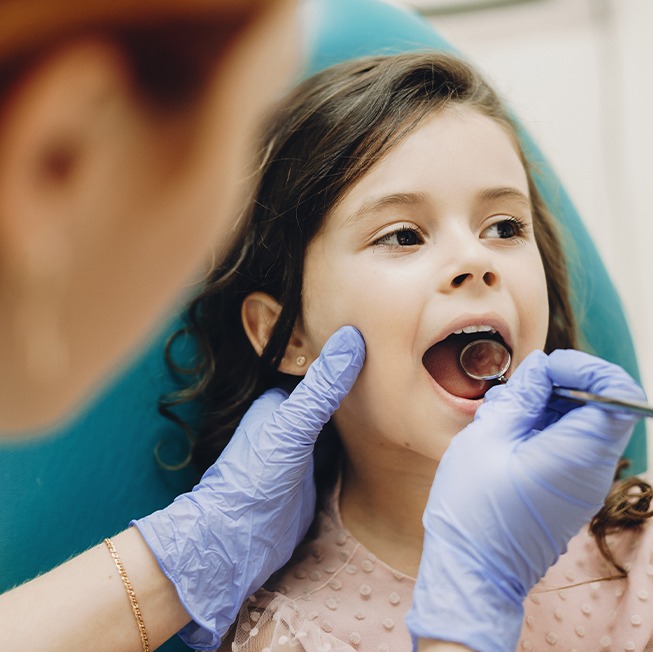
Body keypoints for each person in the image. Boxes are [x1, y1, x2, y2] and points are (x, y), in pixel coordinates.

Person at [163, 51, 653, 651]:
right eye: (403, 235)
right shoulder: (292, 636)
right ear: (288, 336)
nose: (475, 260)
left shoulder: (643, 550)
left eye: (504, 227)